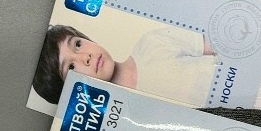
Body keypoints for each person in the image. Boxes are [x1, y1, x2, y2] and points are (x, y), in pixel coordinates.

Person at [32, 23, 217, 107]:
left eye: (77, 44)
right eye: (71, 67)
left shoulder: (152, 44)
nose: (85, 57)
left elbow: (221, 45)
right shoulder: (131, 115)